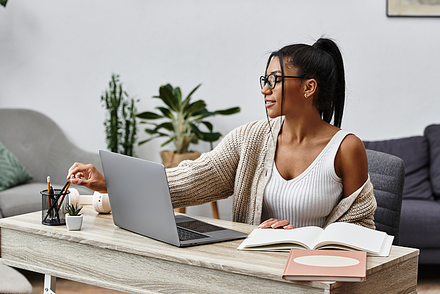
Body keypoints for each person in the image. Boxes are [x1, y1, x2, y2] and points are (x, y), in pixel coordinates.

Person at [67, 37, 376, 230]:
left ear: (309, 87)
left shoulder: (346, 148)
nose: (265, 89)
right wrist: (111, 182)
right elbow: (191, 179)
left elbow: (361, 227)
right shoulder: (251, 139)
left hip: (315, 276)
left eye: (276, 80)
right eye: (264, 80)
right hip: (254, 270)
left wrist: (304, 237)